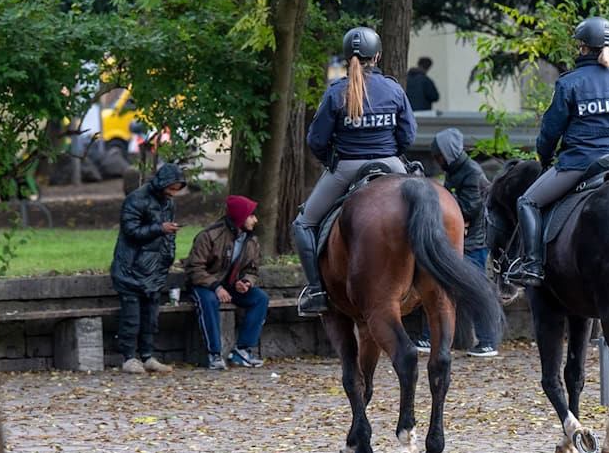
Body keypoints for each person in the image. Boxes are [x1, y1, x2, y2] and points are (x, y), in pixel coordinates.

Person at [505, 16, 609, 287]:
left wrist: (543, 158)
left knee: (527, 202)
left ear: (583, 48)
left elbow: (550, 131)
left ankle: (532, 265)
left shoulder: (569, 83)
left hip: (581, 163)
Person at [295, 26, 418, 316]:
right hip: (391, 164)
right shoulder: (393, 88)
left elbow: (316, 139)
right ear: (376, 56)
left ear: (348, 55)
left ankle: (315, 291)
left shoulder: (336, 91)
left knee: (303, 224)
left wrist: (331, 160)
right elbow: (408, 136)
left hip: (347, 168)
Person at [413, 128, 499, 357]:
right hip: (461, 238)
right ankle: (432, 337)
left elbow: (469, 208)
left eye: (438, 156)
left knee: (475, 290)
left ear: (447, 153)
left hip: (474, 242)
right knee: (442, 286)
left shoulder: (470, 172)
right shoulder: (456, 170)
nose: (437, 161)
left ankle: (488, 341)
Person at [110, 162, 186, 374]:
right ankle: (128, 357)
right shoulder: (136, 199)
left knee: (151, 316)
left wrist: (168, 255)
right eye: (171, 188)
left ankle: (147, 355)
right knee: (131, 316)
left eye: (176, 190)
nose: (173, 193)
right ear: (163, 184)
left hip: (154, 268)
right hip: (131, 266)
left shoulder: (168, 203)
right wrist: (159, 229)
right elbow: (131, 230)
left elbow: (167, 233)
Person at [185, 195, 270, 370]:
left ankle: (242, 349)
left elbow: (253, 269)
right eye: (251, 215)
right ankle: (214, 354)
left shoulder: (251, 240)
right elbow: (195, 268)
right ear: (240, 217)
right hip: (205, 284)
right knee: (208, 301)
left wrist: (245, 281)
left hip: (231, 285)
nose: (255, 220)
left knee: (260, 298)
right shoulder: (209, 236)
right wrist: (216, 287)